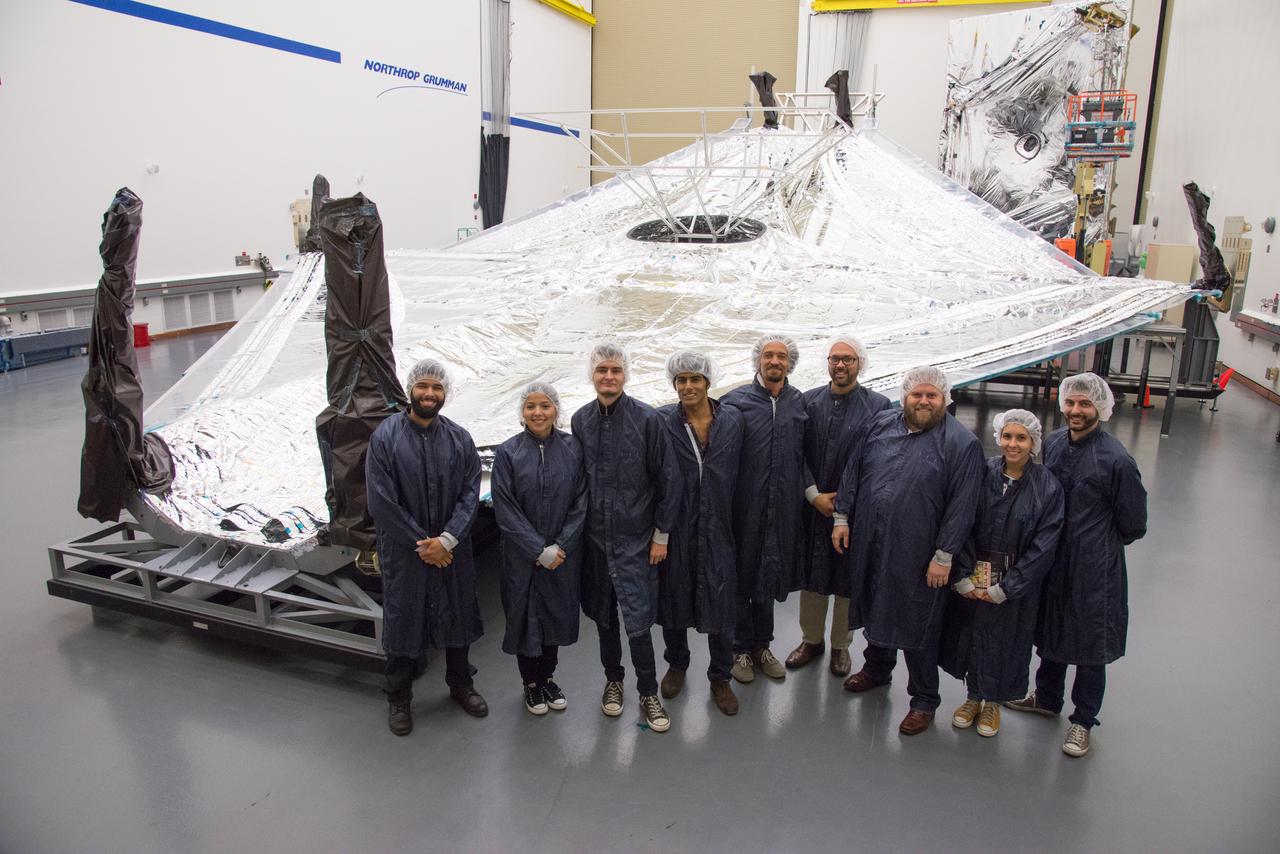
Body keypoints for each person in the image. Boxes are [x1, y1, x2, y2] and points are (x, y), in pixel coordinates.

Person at [832, 366, 983, 735]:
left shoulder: (962, 444)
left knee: (919, 623)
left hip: (921, 552)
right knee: (876, 603)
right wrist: (841, 516)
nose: (924, 401)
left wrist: (944, 555)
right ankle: (877, 668)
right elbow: (853, 470)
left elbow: (963, 506)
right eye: (917, 394)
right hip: (872, 539)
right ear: (905, 396)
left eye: (932, 395)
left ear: (945, 398)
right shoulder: (880, 425)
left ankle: (924, 699)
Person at [1005, 373, 1147, 758]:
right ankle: (1047, 698)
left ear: (1101, 407)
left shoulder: (1116, 460)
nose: (1076, 410)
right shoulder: (1051, 443)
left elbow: (1134, 523)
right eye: (1071, 403)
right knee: (1052, 630)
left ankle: (1083, 720)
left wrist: (1093, 543)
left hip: (1094, 568)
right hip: (1052, 557)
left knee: (1089, 643)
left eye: (1085, 404)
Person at [366, 358, 487, 736]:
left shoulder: (459, 439)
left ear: (445, 393)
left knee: (458, 618)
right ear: (410, 390)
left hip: (451, 549)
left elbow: (471, 494)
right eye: (424, 387)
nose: (430, 393)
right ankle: (399, 698)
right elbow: (381, 501)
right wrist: (423, 544)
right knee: (403, 623)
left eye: (437, 388)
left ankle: (461, 685)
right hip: (407, 554)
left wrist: (447, 539)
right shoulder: (385, 438)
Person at [572, 342, 681, 733]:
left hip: (636, 540)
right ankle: (613, 682)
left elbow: (669, 481)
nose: (608, 376)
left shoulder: (648, 421)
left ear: (626, 375)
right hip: (595, 542)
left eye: (616, 370)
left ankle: (648, 692)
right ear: (592, 374)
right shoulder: (580, 421)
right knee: (604, 617)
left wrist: (661, 536)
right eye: (602, 370)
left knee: (637, 621)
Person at [939, 410, 1064, 738]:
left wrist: (1008, 587)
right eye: (1007, 436)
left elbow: (1044, 545)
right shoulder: (984, 474)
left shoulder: (1047, 487)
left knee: (1007, 641)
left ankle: (993, 703)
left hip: (1015, 590)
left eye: (1021, 438)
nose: (1013, 444)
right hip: (974, 580)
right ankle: (972, 697)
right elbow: (963, 522)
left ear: (1033, 442)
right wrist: (963, 576)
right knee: (972, 637)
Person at [788, 335, 892, 677]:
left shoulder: (878, 406)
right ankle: (811, 639)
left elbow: (876, 460)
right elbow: (796, 453)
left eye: (848, 359)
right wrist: (813, 495)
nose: (841, 365)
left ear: (860, 363)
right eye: (835, 359)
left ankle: (841, 646)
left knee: (848, 577)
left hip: (856, 511)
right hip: (813, 505)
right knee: (813, 575)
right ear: (828, 363)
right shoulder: (808, 401)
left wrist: (846, 505)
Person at [490, 382, 587, 716]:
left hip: (562, 556)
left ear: (556, 410)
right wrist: (537, 548)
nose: (538, 412)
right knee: (524, 618)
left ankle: (548, 678)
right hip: (521, 557)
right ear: (522, 412)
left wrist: (561, 545)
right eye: (530, 406)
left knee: (555, 617)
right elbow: (505, 507)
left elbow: (581, 501)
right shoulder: (507, 453)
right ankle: (531, 684)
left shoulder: (574, 448)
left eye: (545, 405)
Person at [656, 350, 745, 716]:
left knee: (722, 601)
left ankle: (720, 676)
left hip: (721, 525)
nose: (688, 386)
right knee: (674, 597)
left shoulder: (733, 421)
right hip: (677, 526)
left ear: (709, 381)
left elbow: (745, 474)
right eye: (682, 380)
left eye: (695, 379)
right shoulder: (662, 422)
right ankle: (677, 664)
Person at [721, 333, 812, 684]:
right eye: (769, 355)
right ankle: (739, 649)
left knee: (770, 574)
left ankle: (762, 646)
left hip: (783, 507)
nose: (775, 361)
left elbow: (804, 455)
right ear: (758, 360)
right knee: (743, 576)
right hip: (744, 507)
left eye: (782, 356)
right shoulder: (735, 402)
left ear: (790, 363)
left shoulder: (798, 403)